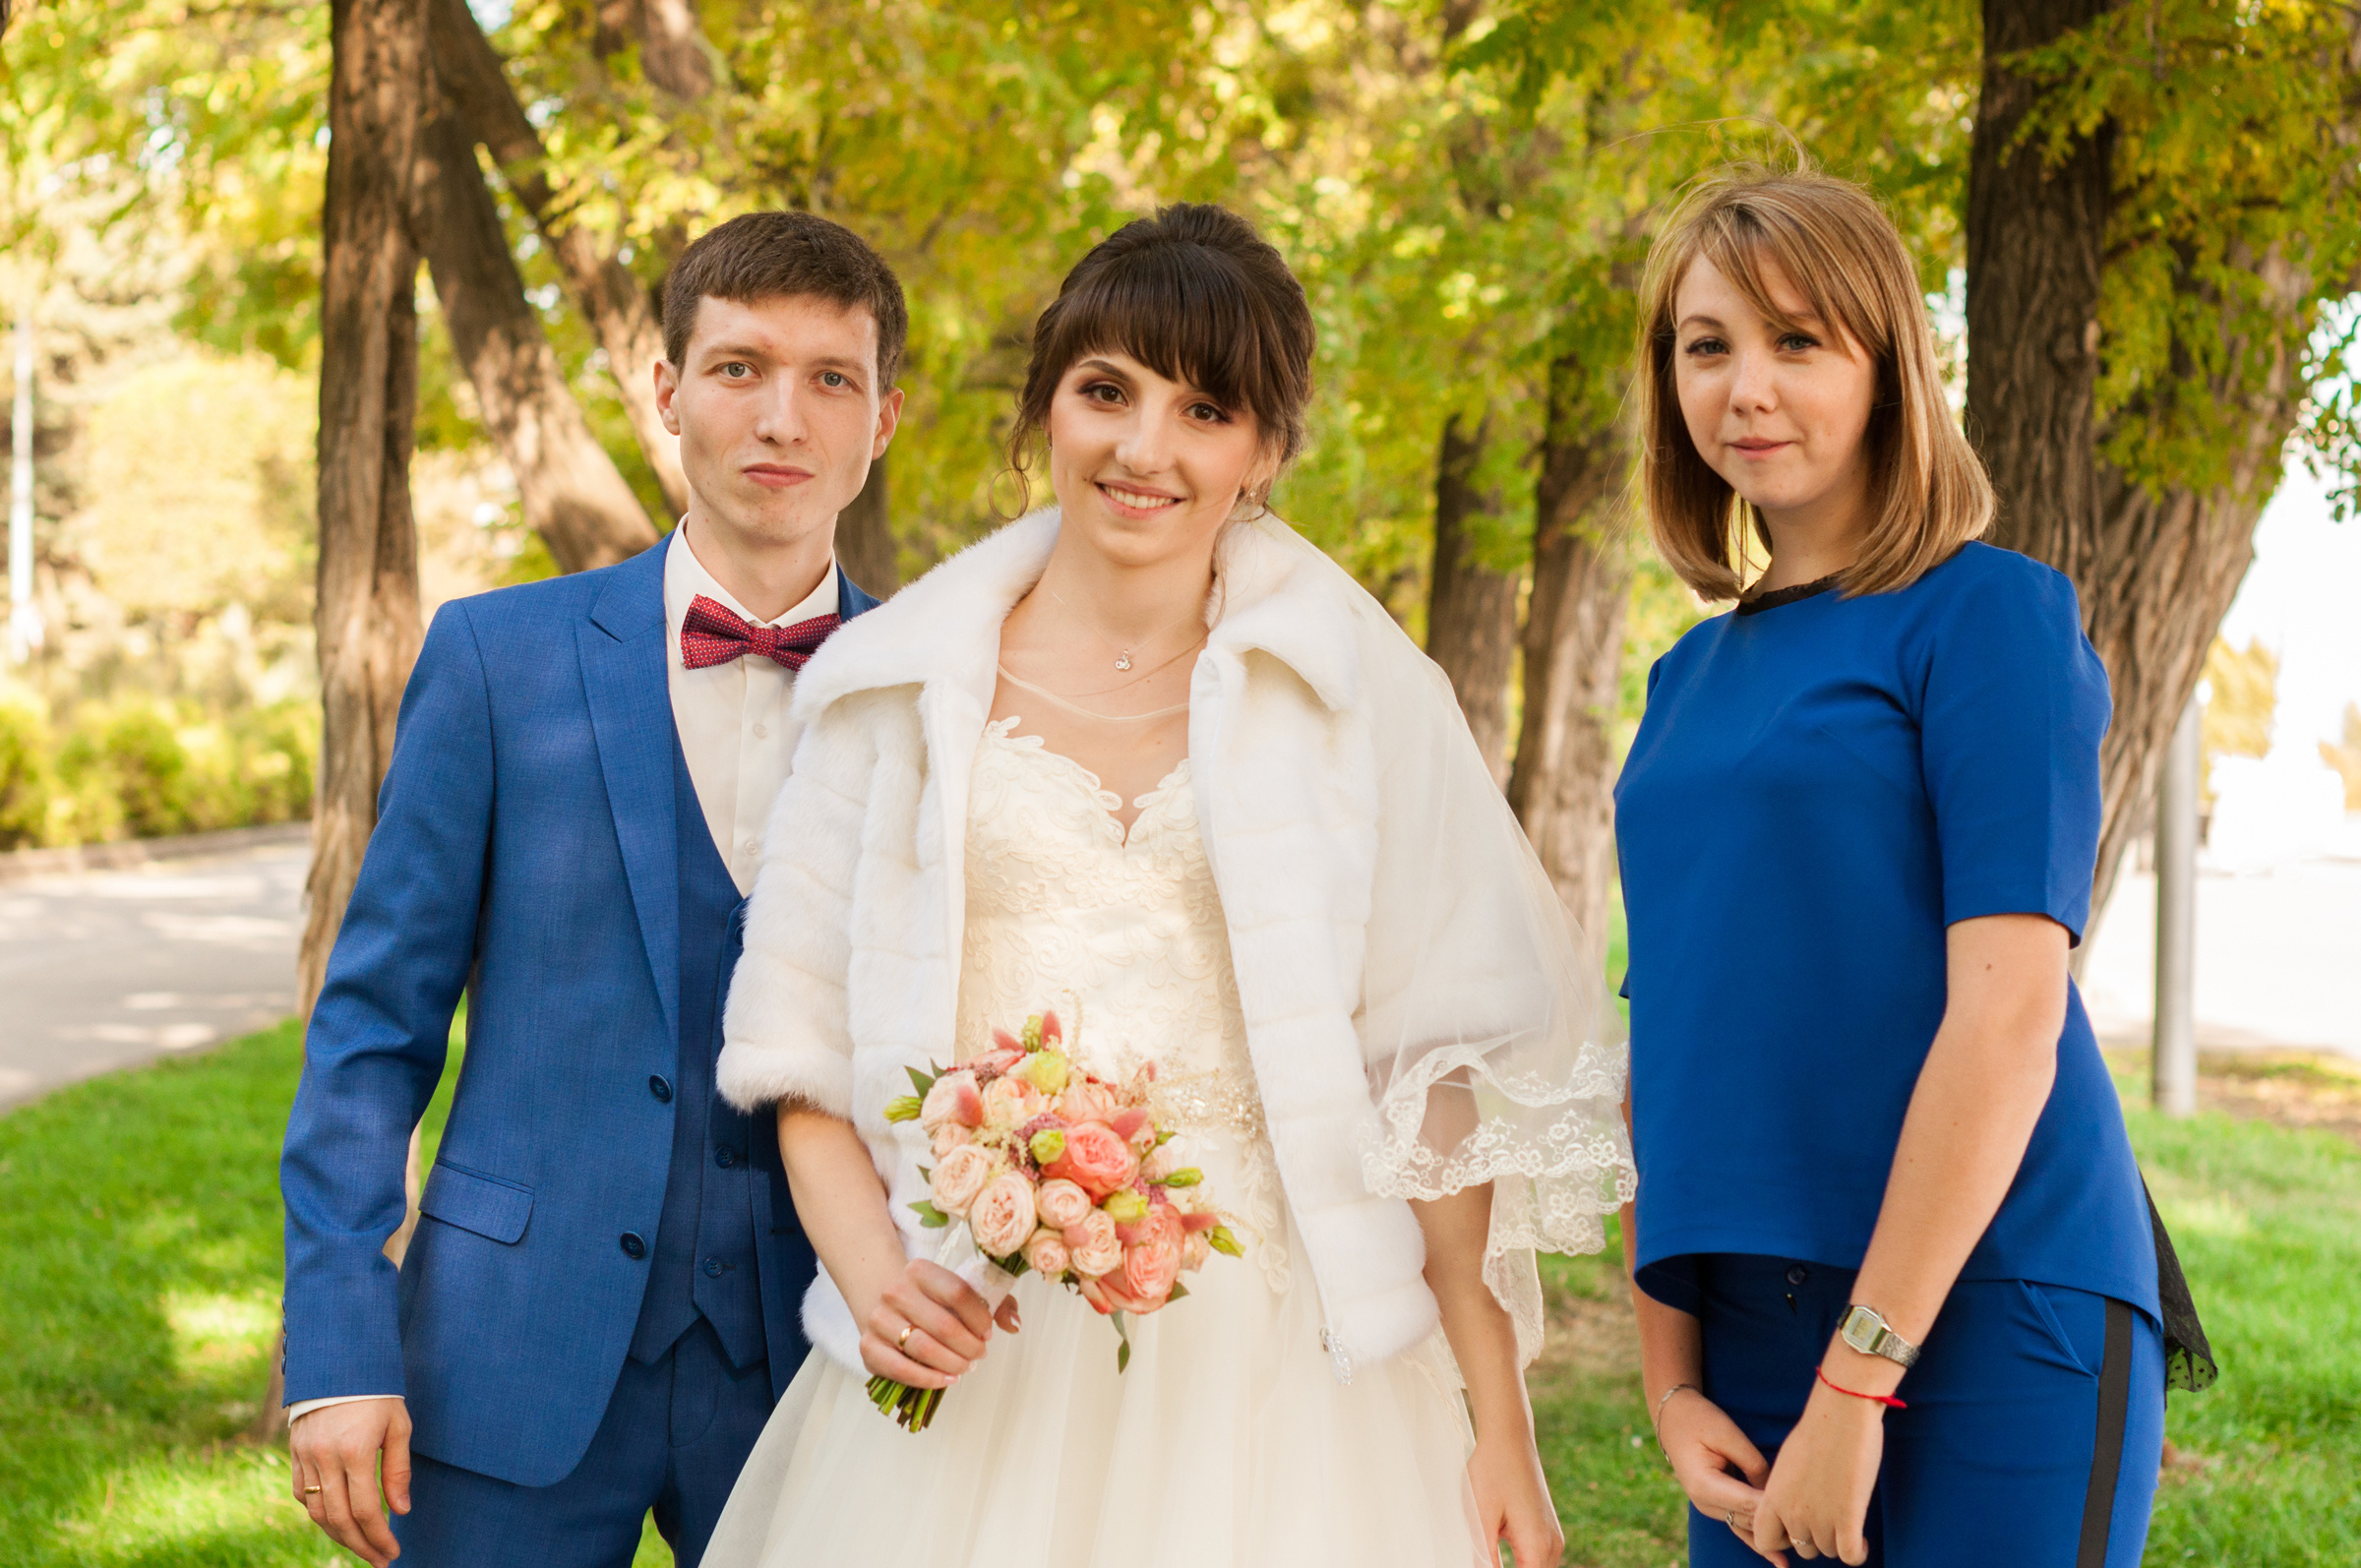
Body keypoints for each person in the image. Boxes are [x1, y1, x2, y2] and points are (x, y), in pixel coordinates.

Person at [699, 203, 1633, 1568]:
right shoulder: (887, 691)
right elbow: (800, 1054)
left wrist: (1501, 1421)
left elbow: (1422, 1085)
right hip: (979, 1341)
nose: (1145, 449)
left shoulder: (1347, 694)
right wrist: (875, 1276)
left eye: (1205, 409)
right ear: (1046, 408)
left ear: (1264, 451)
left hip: (1284, 1369)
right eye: (1107, 392)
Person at [277, 210, 906, 1568]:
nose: (782, 417)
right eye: (738, 368)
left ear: (884, 419)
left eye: (830, 378)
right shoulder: (498, 658)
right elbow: (374, 1025)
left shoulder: (938, 693)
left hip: (826, 1360)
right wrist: (336, 1342)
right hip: (508, 1350)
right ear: (666, 392)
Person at [1611, 166, 2166, 1568]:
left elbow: (2009, 1017)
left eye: (1799, 341)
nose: (1747, 387)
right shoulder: (1681, 682)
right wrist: (1670, 1378)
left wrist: (1859, 1383)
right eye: (1707, 344)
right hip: (1746, 1321)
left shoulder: (1992, 617)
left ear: (1888, 368)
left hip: (1992, 1301)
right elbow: (1660, 1045)